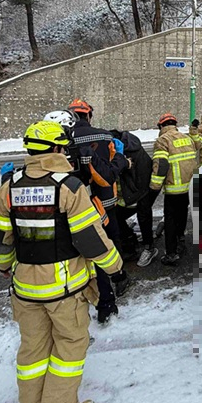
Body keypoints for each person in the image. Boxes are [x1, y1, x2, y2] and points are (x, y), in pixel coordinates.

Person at [0, 121, 123, 403]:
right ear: (59, 149)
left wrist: (5, 265)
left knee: (33, 349)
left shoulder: (10, 186)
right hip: (64, 289)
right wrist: (115, 267)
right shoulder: (69, 186)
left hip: (25, 288)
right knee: (69, 347)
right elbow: (90, 238)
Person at [68, 98, 131, 322]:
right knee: (109, 244)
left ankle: (87, 296)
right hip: (104, 203)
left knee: (83, 250)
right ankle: (117, 279)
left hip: (74, 205)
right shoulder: (104, 136)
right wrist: (122, 159)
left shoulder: (62, 138)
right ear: (88, 115)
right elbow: (110, 173)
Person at [150, 113, 198, 266]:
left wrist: (154, 187)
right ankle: (181, 238)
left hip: (173, 189)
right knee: (182, 213)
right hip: (188, 187)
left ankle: (171, 253)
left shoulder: (162, 141)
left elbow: (161, 165)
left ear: (161, 126)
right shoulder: (187, 138)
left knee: (170, 220)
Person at [110, 128, 161, 266]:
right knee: (115, 216)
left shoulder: (131, 152)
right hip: (128, 194)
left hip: (140, 191)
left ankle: (149, 248)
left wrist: (136, 194)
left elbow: (141, 174)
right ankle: (130, 240)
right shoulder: (122, 149)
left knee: (143, 217)